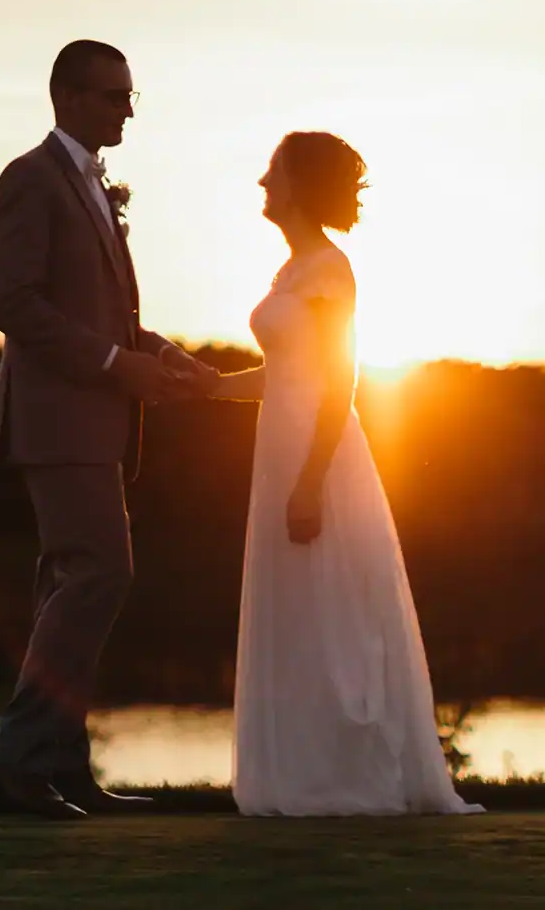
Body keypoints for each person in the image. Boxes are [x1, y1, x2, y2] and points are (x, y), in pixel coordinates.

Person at [0, 39, 219, 819]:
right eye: (115, 96)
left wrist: (158, 353)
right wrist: (118, 363)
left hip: (96, 425)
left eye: (129, 94)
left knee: (67, 586)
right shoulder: (30, 179)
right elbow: (13, 303)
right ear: (69, 97)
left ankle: (62, 769)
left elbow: (103, 311)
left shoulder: (91, 186)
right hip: (58, 422)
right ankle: (15, 761)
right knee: (101, 572)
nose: (128, 110)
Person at [209, 132, 481, 817]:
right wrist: (205, 384)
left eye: (273, 171)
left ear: (298, 184)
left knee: (336, 617)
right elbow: (282, 376)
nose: (263, 182)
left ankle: (348, 772)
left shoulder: (330, 268)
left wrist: (309, 481)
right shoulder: (293, 271)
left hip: (317, 457)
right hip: (282, 451)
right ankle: (301, 767)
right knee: (298, 614)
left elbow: (339, 381)